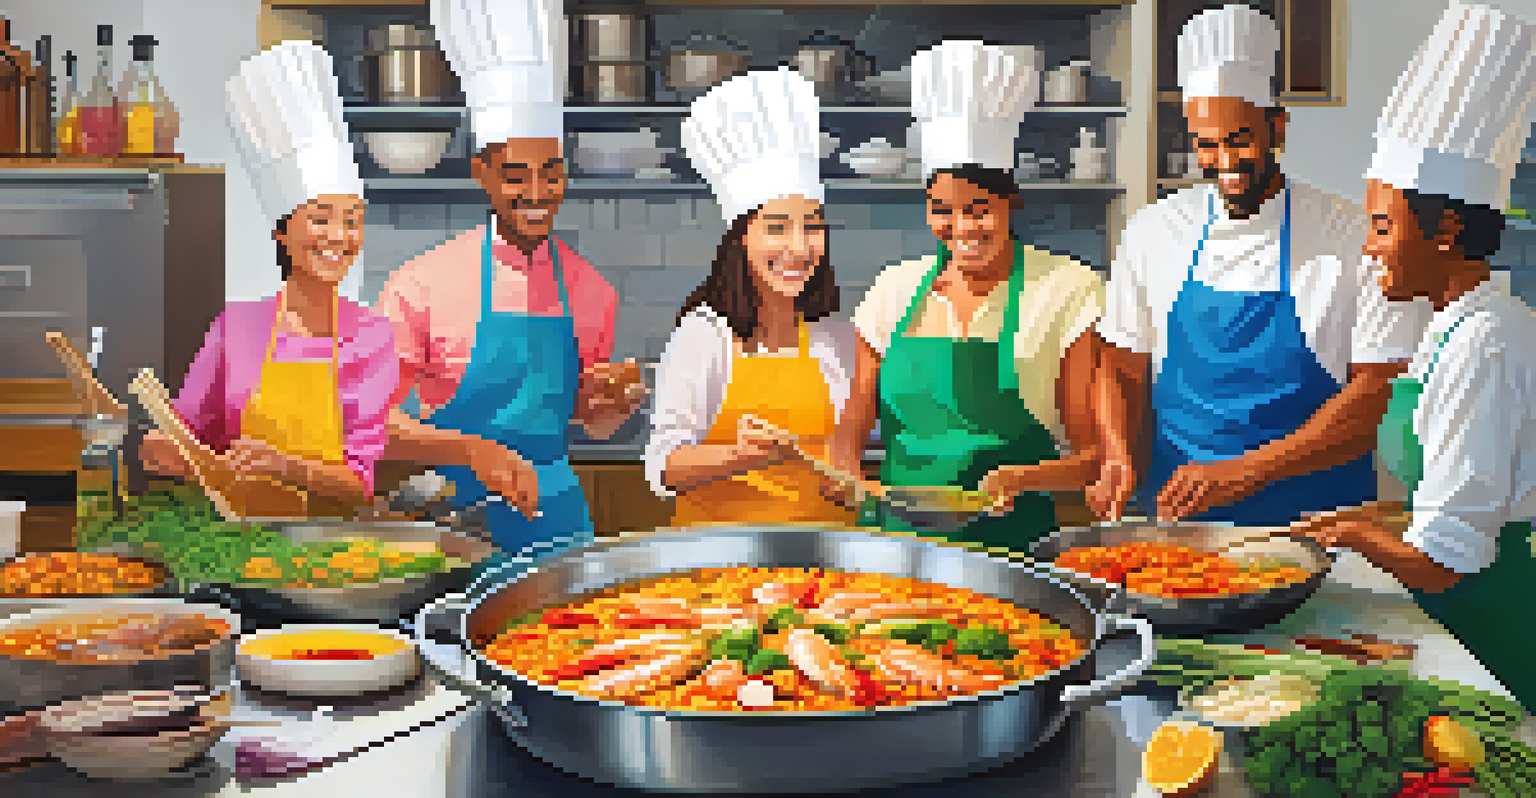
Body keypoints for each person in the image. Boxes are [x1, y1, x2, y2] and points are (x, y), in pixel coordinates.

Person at [1089, 5, 1431, 525]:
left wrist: (1246, 471)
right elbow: (1119, 363)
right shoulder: (1153, 231)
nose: (1224, 161)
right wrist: (1116, 453)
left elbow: (1375, 396)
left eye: (1239, 139)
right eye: (1207, 144)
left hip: (1319, 527)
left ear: (1278, 127)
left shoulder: (1353, 236)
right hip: (1179, 530)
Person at [1295, 1, 1536, 712]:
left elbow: (1444, 561)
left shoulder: (1487, 342)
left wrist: (1359, 536)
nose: (1369, 247)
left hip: (1484, 631)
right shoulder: (1451, 326)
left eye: (1381, 225)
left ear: (1446, 229)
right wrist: (1356, 517)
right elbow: (1446, 497)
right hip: (1455, 619)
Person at [377, 0, 646, 576]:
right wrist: (468, 450)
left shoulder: (591, 288)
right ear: (482, 173)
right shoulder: (419, 284)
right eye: (515, 175)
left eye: (550, 172)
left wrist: (613, 407)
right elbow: (375, 422)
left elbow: (582, 417)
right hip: (449, 523)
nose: (536, 192)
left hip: (557, 525)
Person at [828, 40, 1108, 551]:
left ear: (1012, 202)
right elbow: (855, 416)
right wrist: (845, 470)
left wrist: (1018, 480)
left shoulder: (1069, 289)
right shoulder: (893, 290)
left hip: (1015, 544)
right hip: (897, 543)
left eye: (979, 209)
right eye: (942, 210)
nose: (961, 229)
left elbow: (1092, 457)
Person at [139, 42, 397, 515]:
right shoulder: (235, 327)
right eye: (321, 219)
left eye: (352, 220)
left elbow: (358, 484)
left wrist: (286, 467)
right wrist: (161, 449)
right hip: (240, 545)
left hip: (334, 549)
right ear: (282, 231)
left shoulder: (372, 337)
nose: (338, 237)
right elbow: (183, 436)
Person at [647, 68, 857, 527]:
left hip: (825, 568)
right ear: (742, 238)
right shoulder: (705, 332)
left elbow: (843, 463)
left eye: (812, 226)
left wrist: (850, 484)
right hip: (718, 573)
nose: (799, 248)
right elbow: (663, 465)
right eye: (778, 227)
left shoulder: (837, 333)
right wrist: (745, 457)